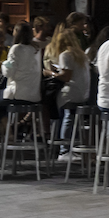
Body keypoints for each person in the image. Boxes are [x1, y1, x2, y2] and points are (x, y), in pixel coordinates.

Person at [46, 29, 91, 159]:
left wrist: (50, 73)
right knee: (71, 116)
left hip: (71, 94)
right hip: (83, 95)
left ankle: (63, 149)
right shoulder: (82, 54)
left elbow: (66, 77)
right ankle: (72, 147)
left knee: (59, 110)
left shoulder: (65, 55)